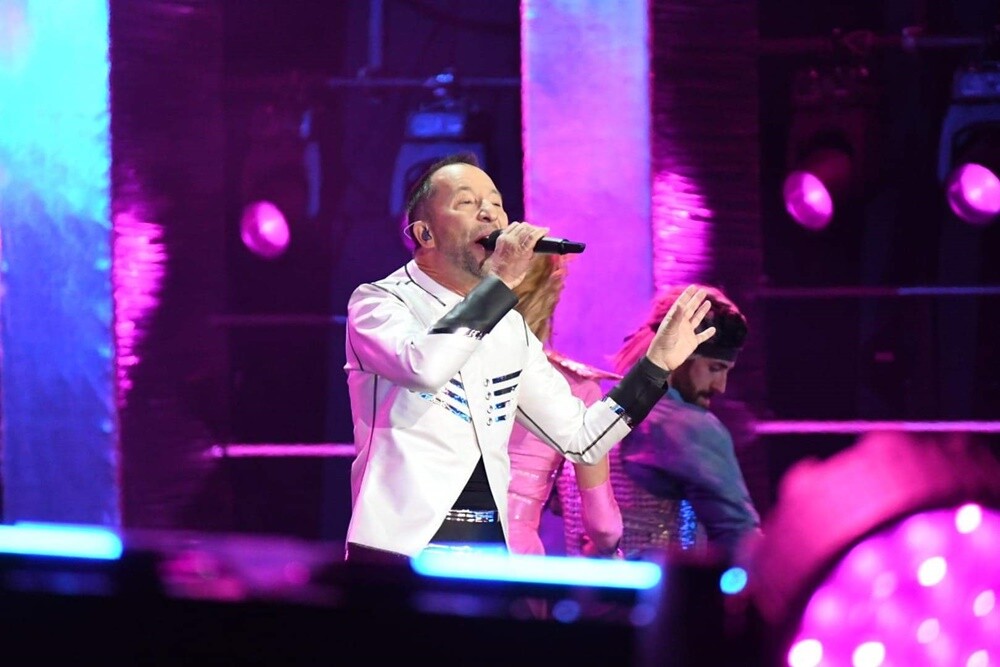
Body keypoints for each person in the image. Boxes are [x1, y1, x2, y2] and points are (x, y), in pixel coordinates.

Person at [342, 152, 717, 562]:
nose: (489, 213)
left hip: (488, 557)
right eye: (466, 202)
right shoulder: (379, 303)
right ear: (425, 234)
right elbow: (424, 368)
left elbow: (582, 439)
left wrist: (655, 366)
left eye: (496, 203)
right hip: (398, 553)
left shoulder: (508, 328)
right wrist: (501, 281)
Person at [564, 283, 761, 562]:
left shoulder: (590, 416)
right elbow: (740, 538)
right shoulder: (687, 426)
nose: (721, 386)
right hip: (661, 589)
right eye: (714, 368)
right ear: (680, 355)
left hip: (577, 589)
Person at [506, 254, 624, 559]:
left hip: (422, 548)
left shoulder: (438, 361)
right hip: (513, 557)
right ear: (552, 295)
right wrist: (608, 548)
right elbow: (604, 525)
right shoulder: (577, 388)